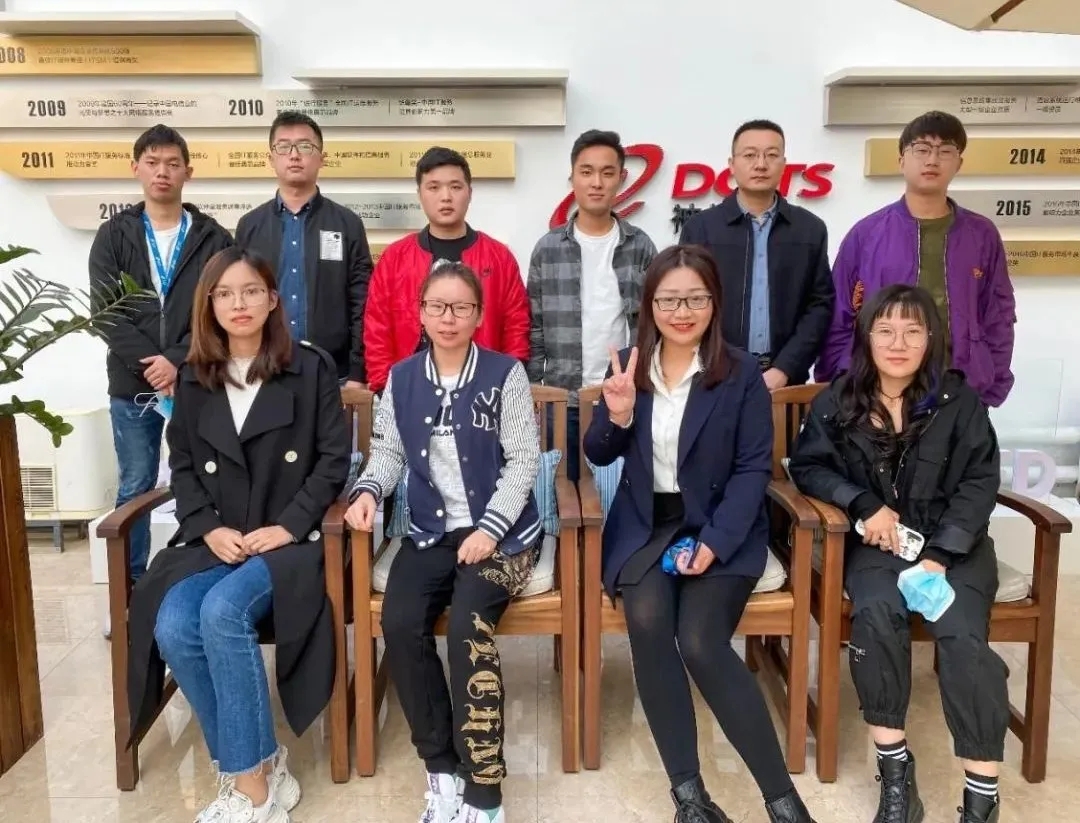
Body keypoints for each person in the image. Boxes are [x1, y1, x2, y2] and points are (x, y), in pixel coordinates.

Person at [583, 244, 817, 823]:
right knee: (647, 624)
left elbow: (753, 470)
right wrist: (617, 415)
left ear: (714, 304)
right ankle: (691, 801)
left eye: (695, 299)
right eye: (669, 300)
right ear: (650, 305)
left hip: (721, 525)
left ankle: (783, 803)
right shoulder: (629, 368)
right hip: (646, 526)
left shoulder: (740, 375)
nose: (681, 311)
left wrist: (714, 542)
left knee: (700, 641)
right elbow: (598, 453)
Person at [125, 247, 351, 823]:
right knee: (174, 623)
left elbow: (333, 460)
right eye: (223, 294)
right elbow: (182, 466)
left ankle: (250, 791)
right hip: (218, 538)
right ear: (209, 306)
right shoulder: (194, 378)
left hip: (290, 542)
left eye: (251, 290)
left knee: (222, 611)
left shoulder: (310, 367)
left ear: (272, 299)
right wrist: (208, 527)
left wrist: (289, 525)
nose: (238, 303)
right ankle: (261, 765)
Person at [789, 285, 1006, 823]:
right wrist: (864, 505)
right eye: (885, 330)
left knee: (963, 638)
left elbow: (980, 482)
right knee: (876, 616)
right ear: (867, 336)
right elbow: (809, 466)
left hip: (955, 549)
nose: (898, 343)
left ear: (931, 338)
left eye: (912, 331)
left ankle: (981, 799)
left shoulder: (960, 402)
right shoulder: (839, 400)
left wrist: (941, 554)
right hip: (878, 547)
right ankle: (896, 778)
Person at [345, 262, 542, 823]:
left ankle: (484, 788)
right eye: (437, 306)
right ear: (421, 312)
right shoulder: (402, 378)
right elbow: (388, 452)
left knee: (466, 629)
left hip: (503, 535)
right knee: (401, 622)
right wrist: (367, 491)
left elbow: (523, 460)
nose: (448, 317)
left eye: (461, 307)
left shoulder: (505, 374)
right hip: (431, 532)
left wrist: (490, 529)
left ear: (478, 315)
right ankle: (441, 768)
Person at [89, 124, 233, 635]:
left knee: (210, 482)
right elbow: (104, 311)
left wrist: (177, 361)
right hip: (132, 387)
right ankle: (128, 597)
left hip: (198, 382)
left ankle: (202, 582)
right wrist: (152, 365)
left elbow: (220, 309)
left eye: (172, 163)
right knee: (135, 485)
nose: (162, 172)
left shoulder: (214, 237)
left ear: (188, 171)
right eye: (152, 162)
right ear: (136, 169)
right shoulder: (115, 235)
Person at [814, 110, 1016, 407]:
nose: (932, 160)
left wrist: (991, 385)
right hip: (876, 394)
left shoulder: (982, 234)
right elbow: (839, 313)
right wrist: (842, 380)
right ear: (902, 160)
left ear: (959, 163)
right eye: (921, 149)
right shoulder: (867, 234)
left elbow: (998, 315)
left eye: (945, 151)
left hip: (961, 388)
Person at [527, 129, 657, 480]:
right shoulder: (548, 249)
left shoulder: (640, 246)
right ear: (572, 177)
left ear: (621, 179)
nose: (596, 182)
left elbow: (651, 326)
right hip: (562, 400)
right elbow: (535, 328)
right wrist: (534, 392)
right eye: (586, 172)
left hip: (620, 397)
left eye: (607, 172)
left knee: (617, 496)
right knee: (561, 492)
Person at [678, 119, 834, 390]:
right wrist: (717, 363)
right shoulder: (701, 228)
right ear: (731, 164)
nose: (761, 164)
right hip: (713, 376)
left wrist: (785, 368)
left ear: (784, 164)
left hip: (785, 381)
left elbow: (819, 306)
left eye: (771, 155)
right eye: (750, 155)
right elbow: (688, 303)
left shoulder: (810, 229)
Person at [363, 146, 530, 393]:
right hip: (410, 389)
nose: (446, 197)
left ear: (470, 193)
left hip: (484, 390)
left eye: (455, 187)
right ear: (420, 194)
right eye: (434, 187)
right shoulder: (395, 258)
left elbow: (516, 326)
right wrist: (386, 388)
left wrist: (506, 385)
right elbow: (377, 329)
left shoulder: (499, 257)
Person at [235, 111, 374, 387]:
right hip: (264, 371)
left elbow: (363, 302)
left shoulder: (347, 224)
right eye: (284, 146)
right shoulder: (250, 226)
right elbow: (239, 299)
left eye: (305, 146)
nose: (294, 155)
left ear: (322, 158)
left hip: (333, 374)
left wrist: (358, 372)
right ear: (271, 159)